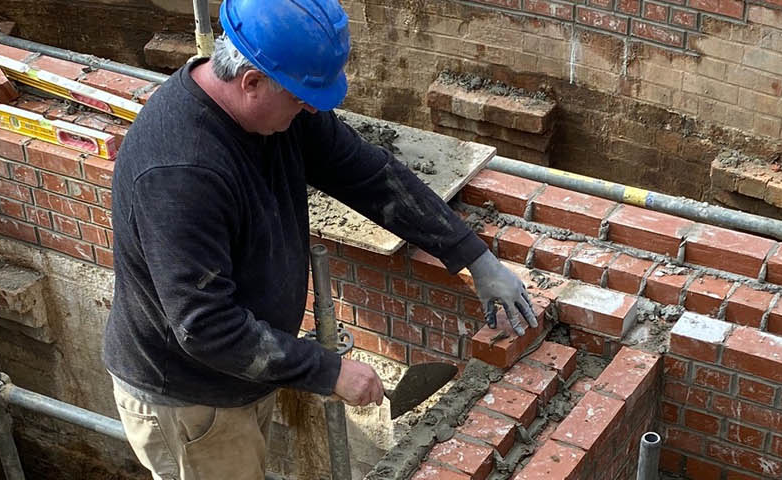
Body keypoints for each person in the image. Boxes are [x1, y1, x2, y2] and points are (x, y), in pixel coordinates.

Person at [101, 0, 539, 478]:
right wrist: (328, 372)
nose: (311, 107)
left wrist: (475, 257)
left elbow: (369, 175)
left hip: (237, 375)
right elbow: (205, 326)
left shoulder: (275, 103)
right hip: (190, 397)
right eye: (301, 98)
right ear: (250, 82)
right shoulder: (181, 172)